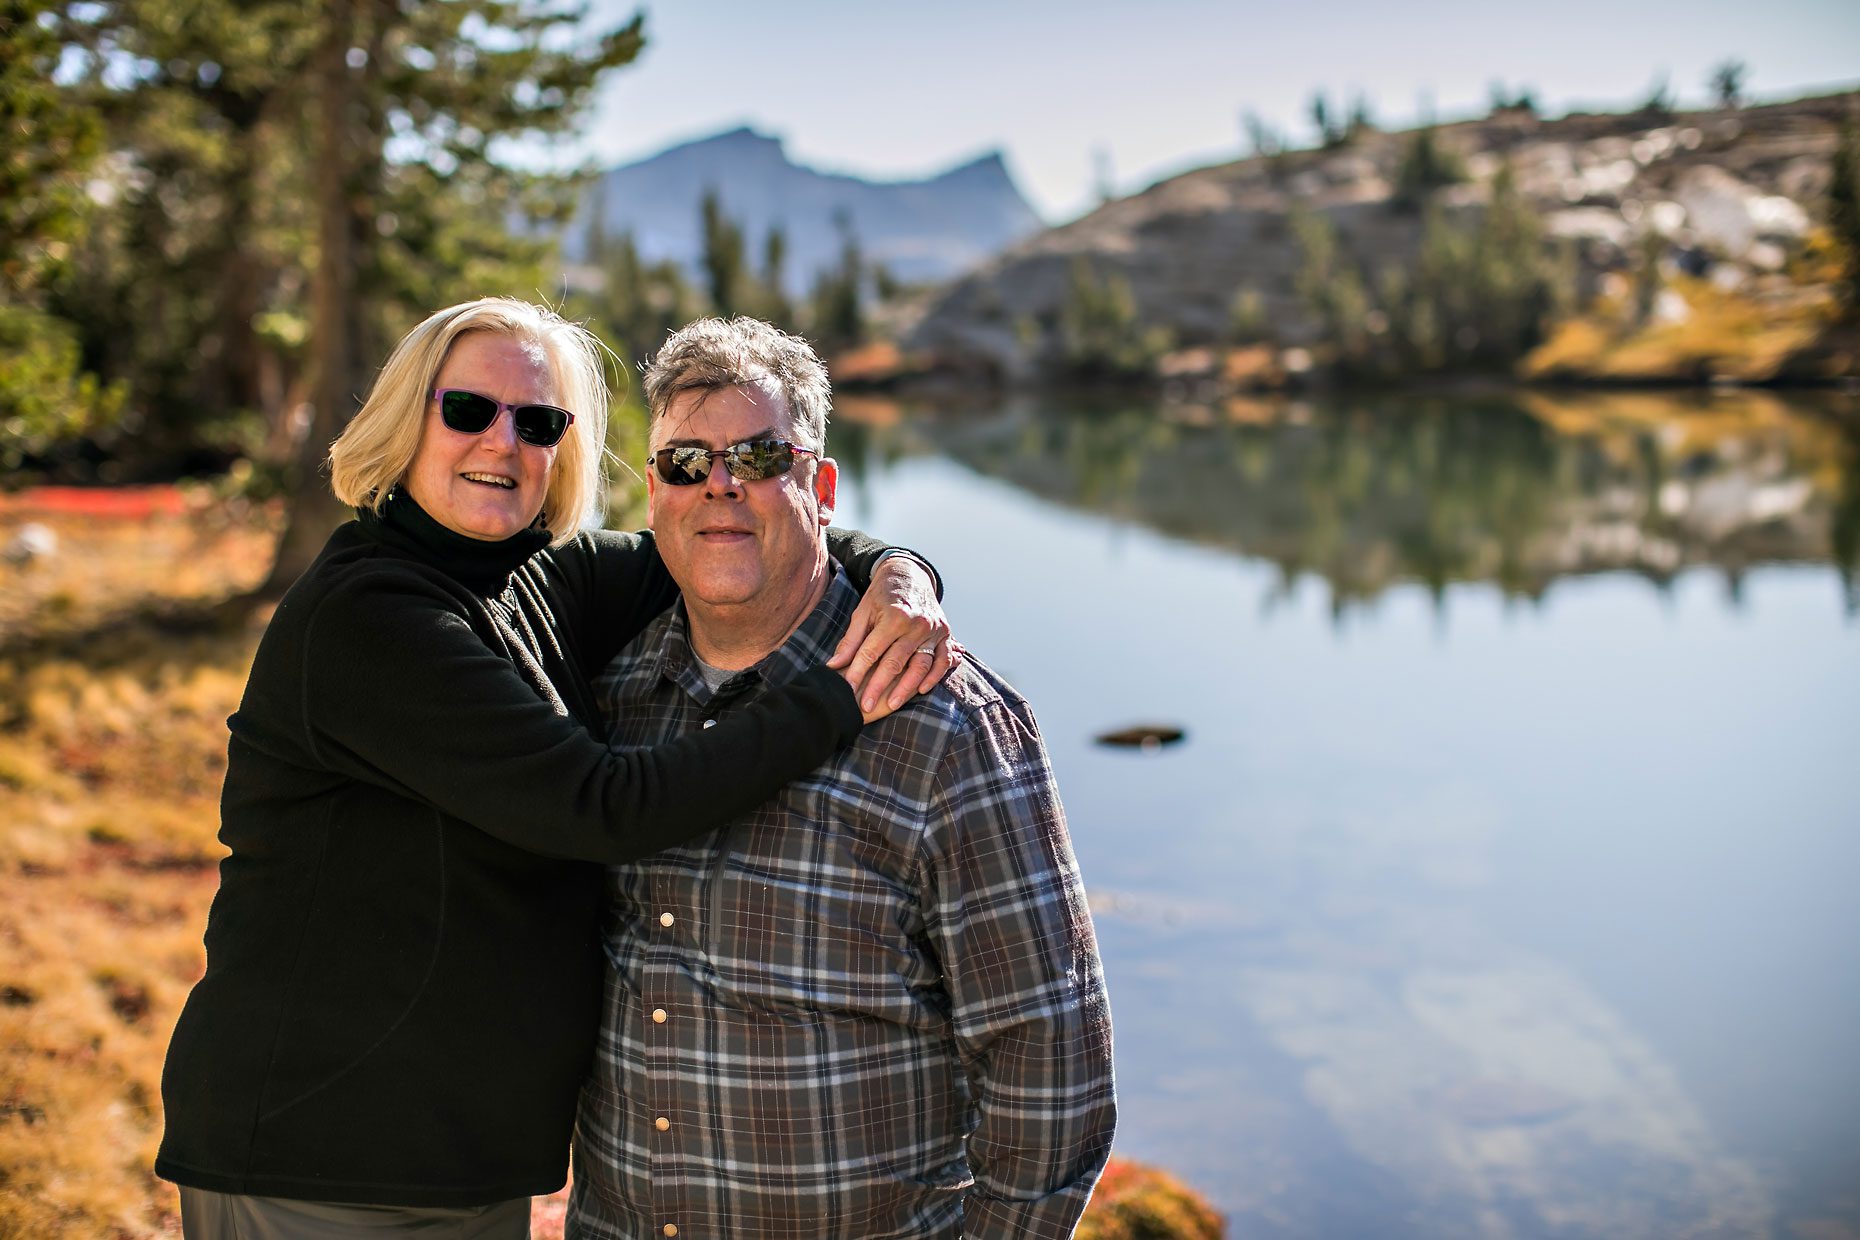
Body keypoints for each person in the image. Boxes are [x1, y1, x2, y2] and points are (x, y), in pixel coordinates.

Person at [154, 297, 954, 1238]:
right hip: (324, 1150)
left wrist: (902, 570)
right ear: (406, 420)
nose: (504, 441)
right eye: (468, 411)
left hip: (451, 1153)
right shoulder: (370, 616)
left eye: (538, 422)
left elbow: (755, 544)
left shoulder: (535, 574)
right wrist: (842, 694)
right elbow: (601, 806)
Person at [570, 317, 1116, 1240]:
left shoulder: (946, 725)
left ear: (819, 486)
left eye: (758, 455)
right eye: (686, 461)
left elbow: (1050, 1059)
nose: (721, 487)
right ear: (652, 490)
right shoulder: (605, 696)